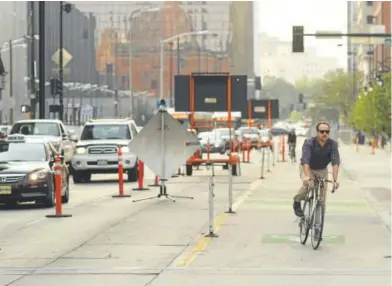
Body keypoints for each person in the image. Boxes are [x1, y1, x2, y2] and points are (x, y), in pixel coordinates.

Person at [293, 121, 340, 217]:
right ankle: (297, 201)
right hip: (308, 167)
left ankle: (318, 223)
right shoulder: (309, 142)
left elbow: (335, 162)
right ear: (317, 132)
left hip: (322, 169)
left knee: (322, 197)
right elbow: (306, 160)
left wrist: (335, 180)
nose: (324, 134)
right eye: (322, 131)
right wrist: (307, 177)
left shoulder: (332, 144)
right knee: (310, 185)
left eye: (327, 131)